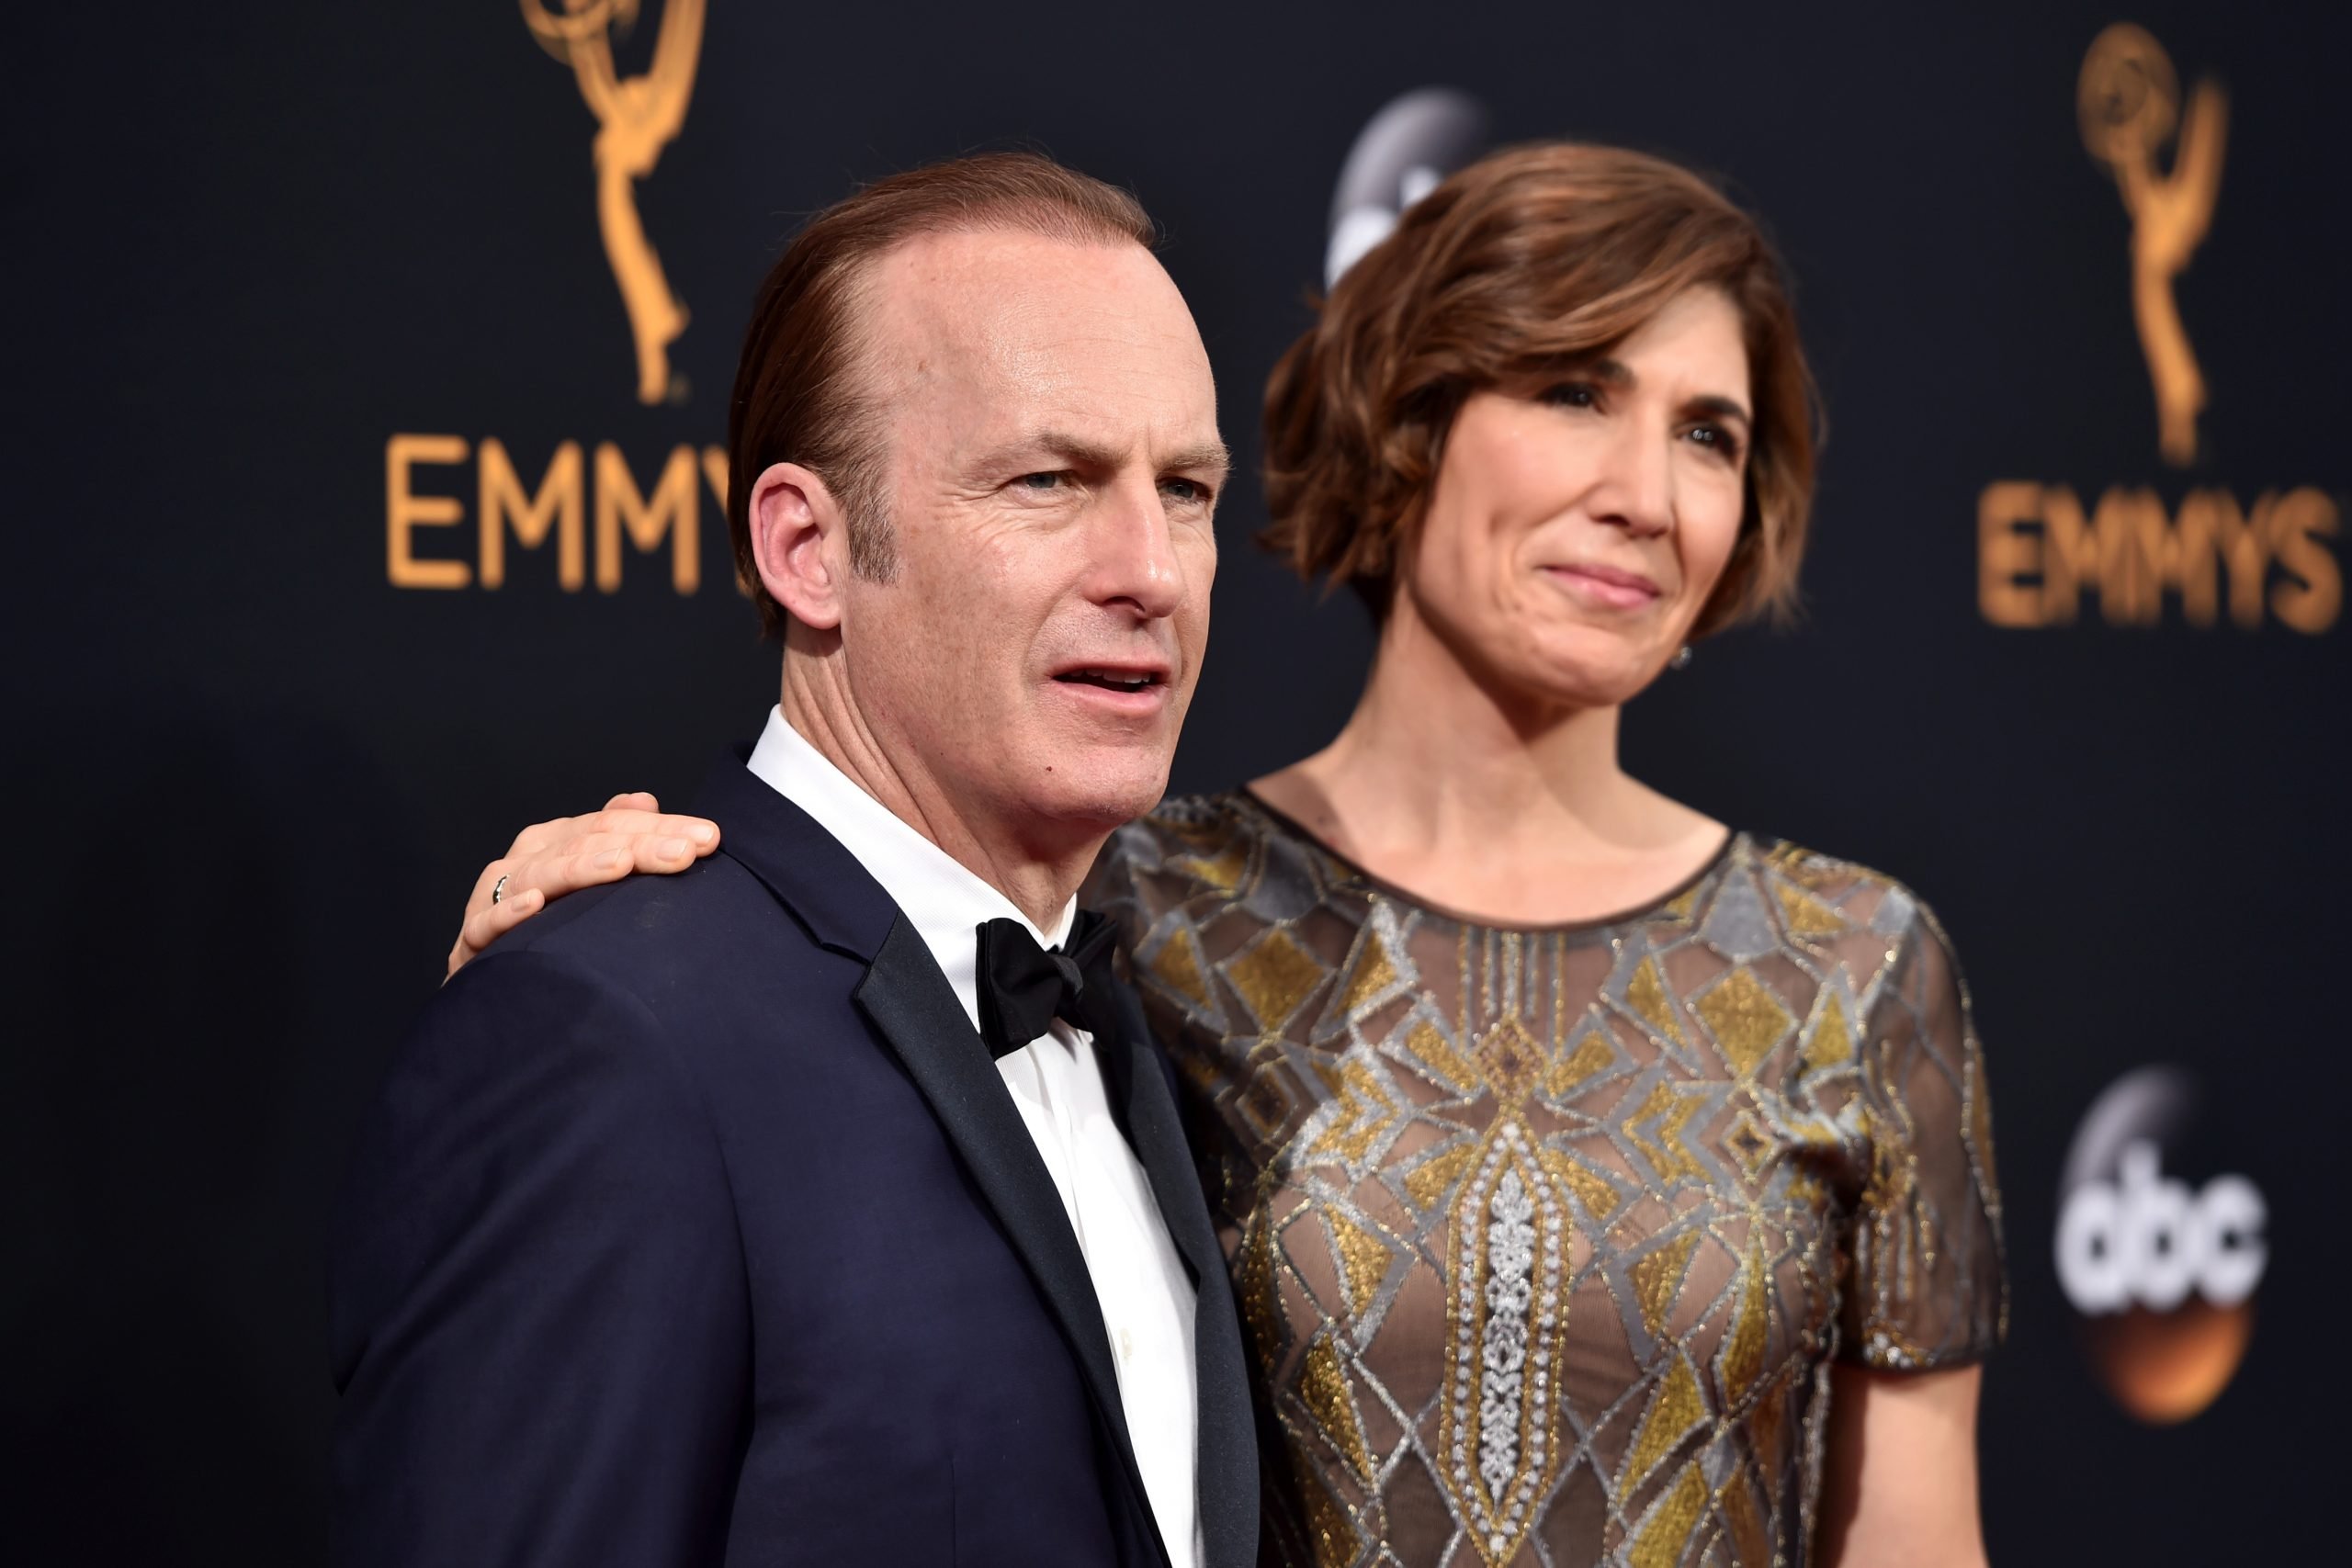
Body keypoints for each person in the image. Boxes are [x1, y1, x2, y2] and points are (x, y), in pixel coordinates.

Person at [455, 143, 2006, 1567]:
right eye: (1577, 394)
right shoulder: (1124, 900)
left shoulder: (1854, 964)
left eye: (1711, 436)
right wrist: (608, 938)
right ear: (1410, 423)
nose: (1646, 498)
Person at [332, 153, 1258, 1568]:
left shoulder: (1150, 1014)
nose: (1152, 568)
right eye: (1048, 478)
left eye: (1184, 488)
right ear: (807, 549)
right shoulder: (606, 1037)